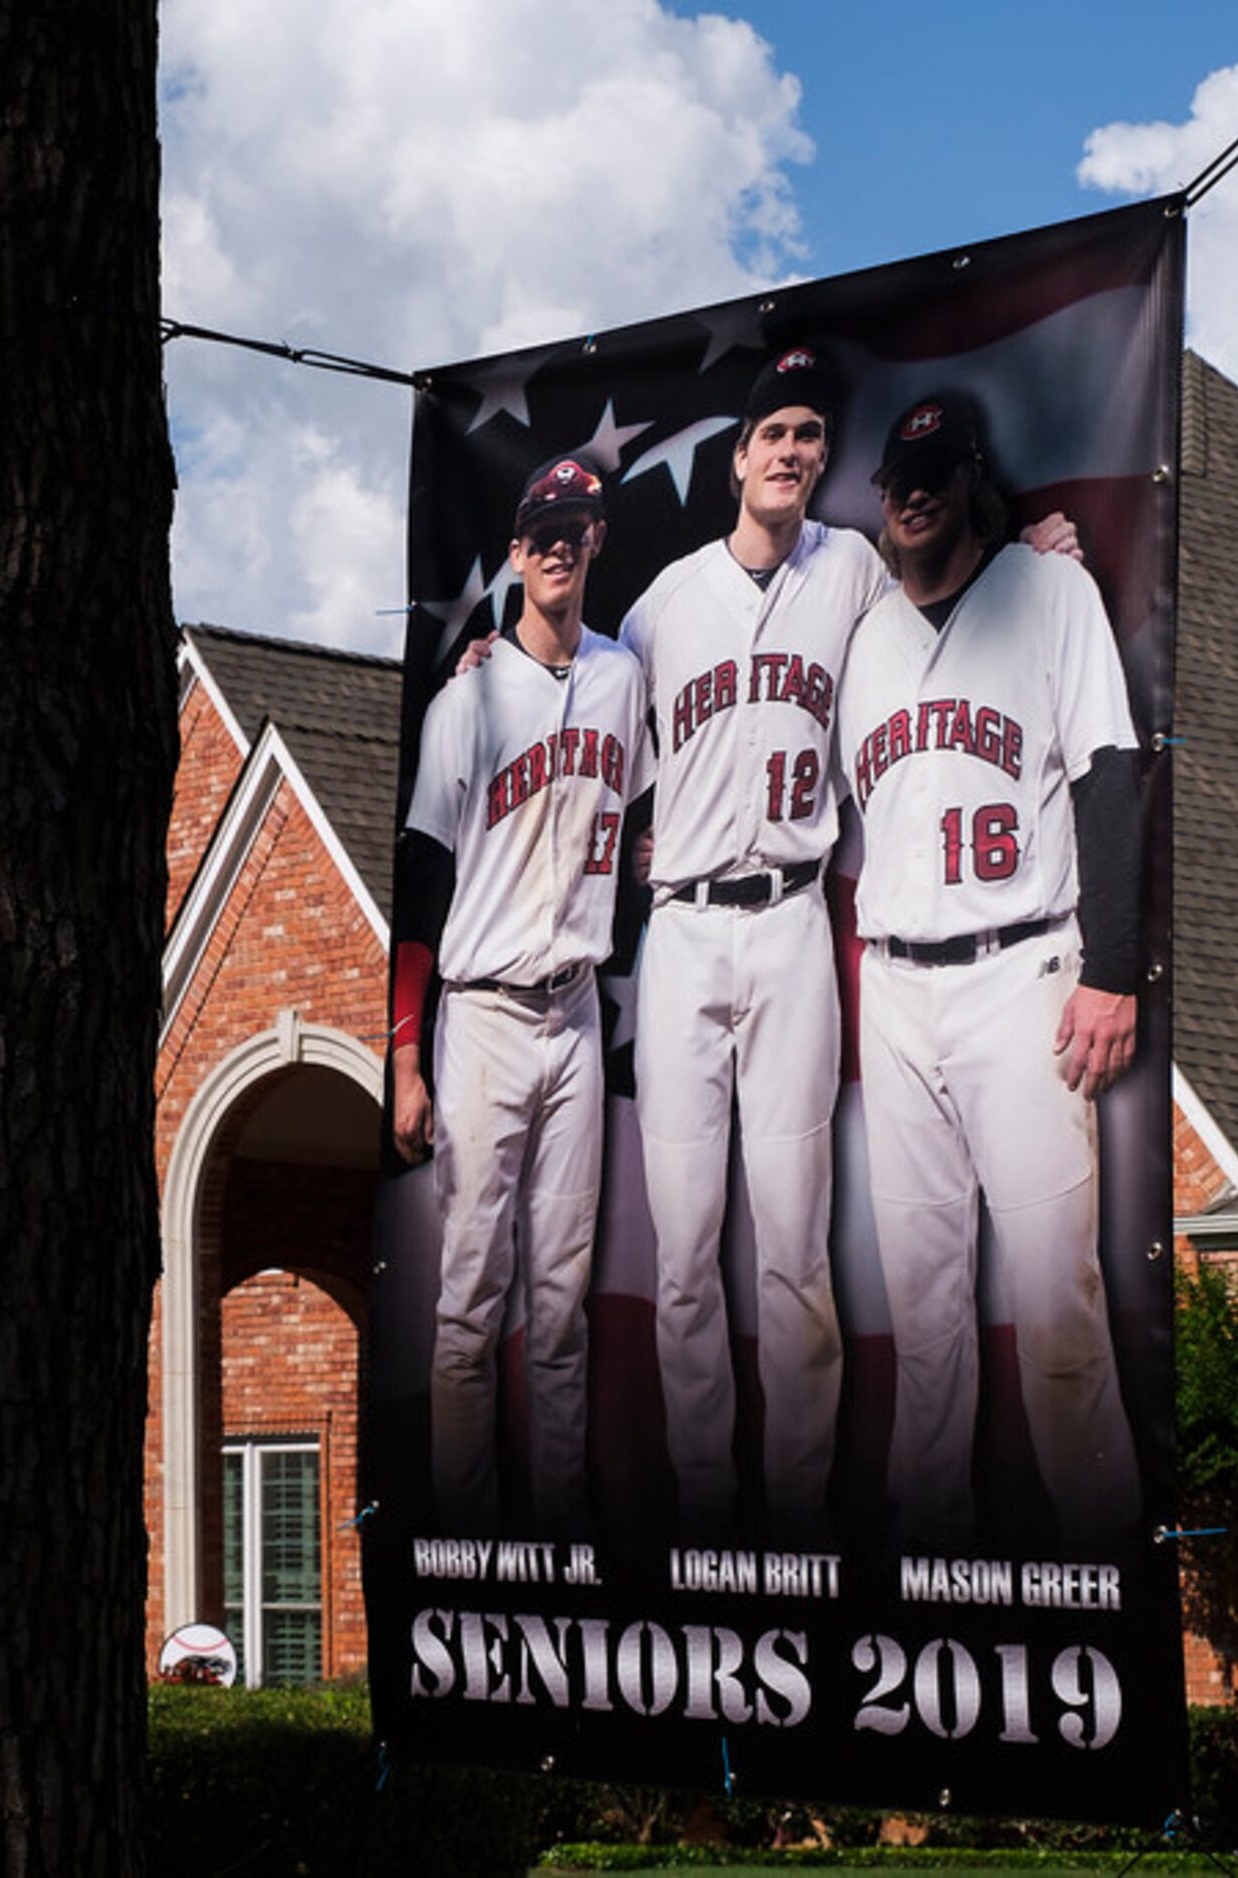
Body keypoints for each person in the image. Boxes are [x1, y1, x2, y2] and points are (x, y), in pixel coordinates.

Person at [837, 389, 1145, 1552]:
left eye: (933, 469)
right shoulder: (862, 636)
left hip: (1021, 974)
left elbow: (1108, 772)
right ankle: (930, 1573)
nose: (911, 491)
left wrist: (1112, 968)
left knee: (1056, 1309)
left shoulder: (1046, 588)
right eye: (894, 475)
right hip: (895, 989)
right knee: (922, 1319)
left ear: (970, 475)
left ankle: (1101, 1560)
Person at [617, 346, 877, 1545]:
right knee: (681, 1252)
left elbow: (950, 627)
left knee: (792, 1244)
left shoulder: (856, 572)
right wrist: (486, 662)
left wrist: (1032, 560)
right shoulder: (662, 601)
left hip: (788, 920)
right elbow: (579, 713)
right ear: (736, 460)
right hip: (679, 931)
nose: (790, 451)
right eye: (772, 431)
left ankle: (800, 1509)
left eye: (808, 433)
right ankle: (706, 1512)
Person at [391, 455, 649, 1539]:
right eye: (539, 530)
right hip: (485, 1013)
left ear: (595, 542)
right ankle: (467, 1538)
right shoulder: (471, 691)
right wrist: (402, 1057)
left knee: (561, 1305)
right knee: (466, 1304)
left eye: (573, 527)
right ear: (514, 553)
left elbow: (634, 826)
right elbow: (420, 869)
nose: (556, 545)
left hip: (576, 1011)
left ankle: (556, 1538)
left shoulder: (622, 677)